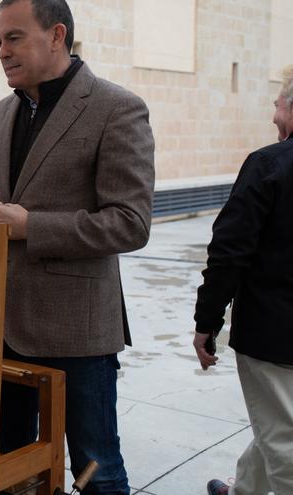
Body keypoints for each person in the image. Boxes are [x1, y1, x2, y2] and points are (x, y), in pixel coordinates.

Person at [0, 1, 154, 493]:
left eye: (14, 38)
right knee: (7, 466)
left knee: (97, 471)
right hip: (1, 327)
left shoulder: (117, 108)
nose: (2, 52)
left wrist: (31, 227)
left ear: (56, 35)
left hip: (78, 334)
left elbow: (130, 223)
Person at [196, 66, 293, 495]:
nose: (273, 115)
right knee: (278, 421)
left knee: (284, 439)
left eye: (277, 104)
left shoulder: (269, 165)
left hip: (274, 335)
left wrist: (207, 322)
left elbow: (229, 252)